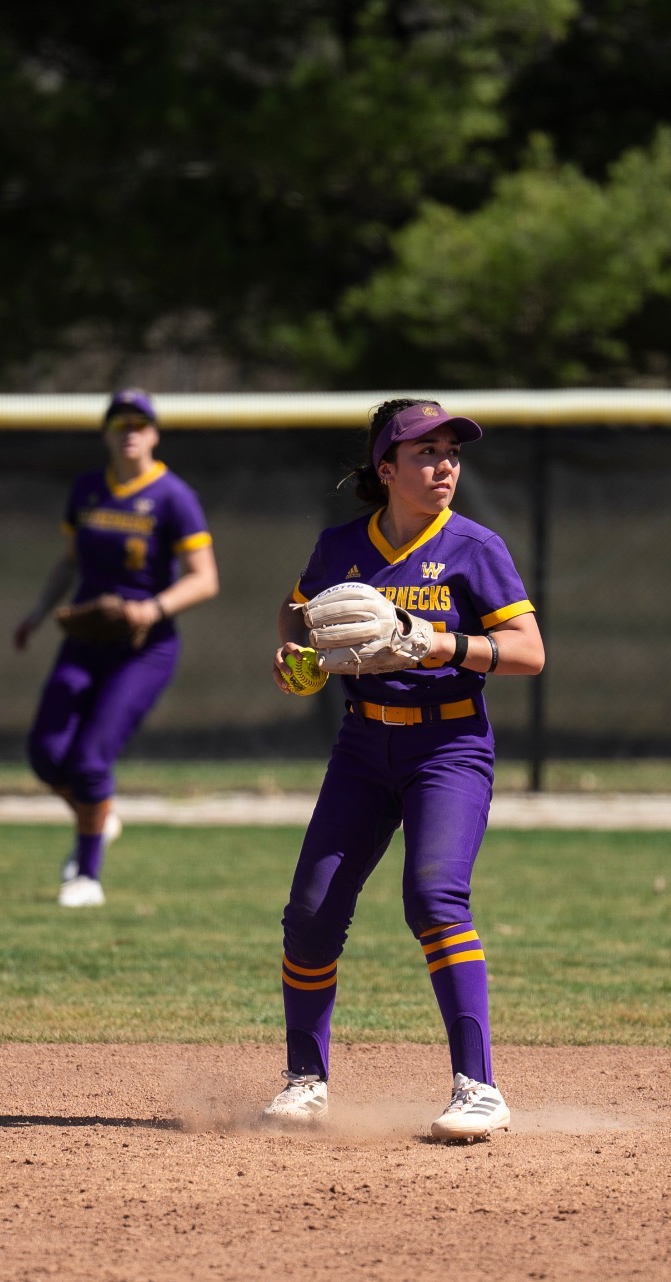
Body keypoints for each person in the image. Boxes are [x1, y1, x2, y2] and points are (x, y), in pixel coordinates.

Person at [263, 398, 545, 1140]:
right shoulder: (339, 548)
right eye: (424, 452)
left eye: (452, 451)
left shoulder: (475, 548)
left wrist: (438, 644)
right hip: (364, 746)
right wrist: (299, 660)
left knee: (433, 895)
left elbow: (528, 652)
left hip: (448, 747)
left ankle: (478, 1088)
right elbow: (297, 616)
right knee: (313, 910)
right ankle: (304, 1082)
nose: (444, 464)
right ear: (385, 469)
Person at [14, 389, 218, 907]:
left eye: (140, 423)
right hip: (87, 638)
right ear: (106, 432)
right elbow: (68, 562)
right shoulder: (87, 489)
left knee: (89, 759)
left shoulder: (173, 496)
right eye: (120, 423)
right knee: (44, 752)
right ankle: (99, 817)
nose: (130, 431)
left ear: (154, 433)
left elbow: (204, 579)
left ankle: (86, 876)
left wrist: (153, 608)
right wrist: (38, 612)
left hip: (143, 644)